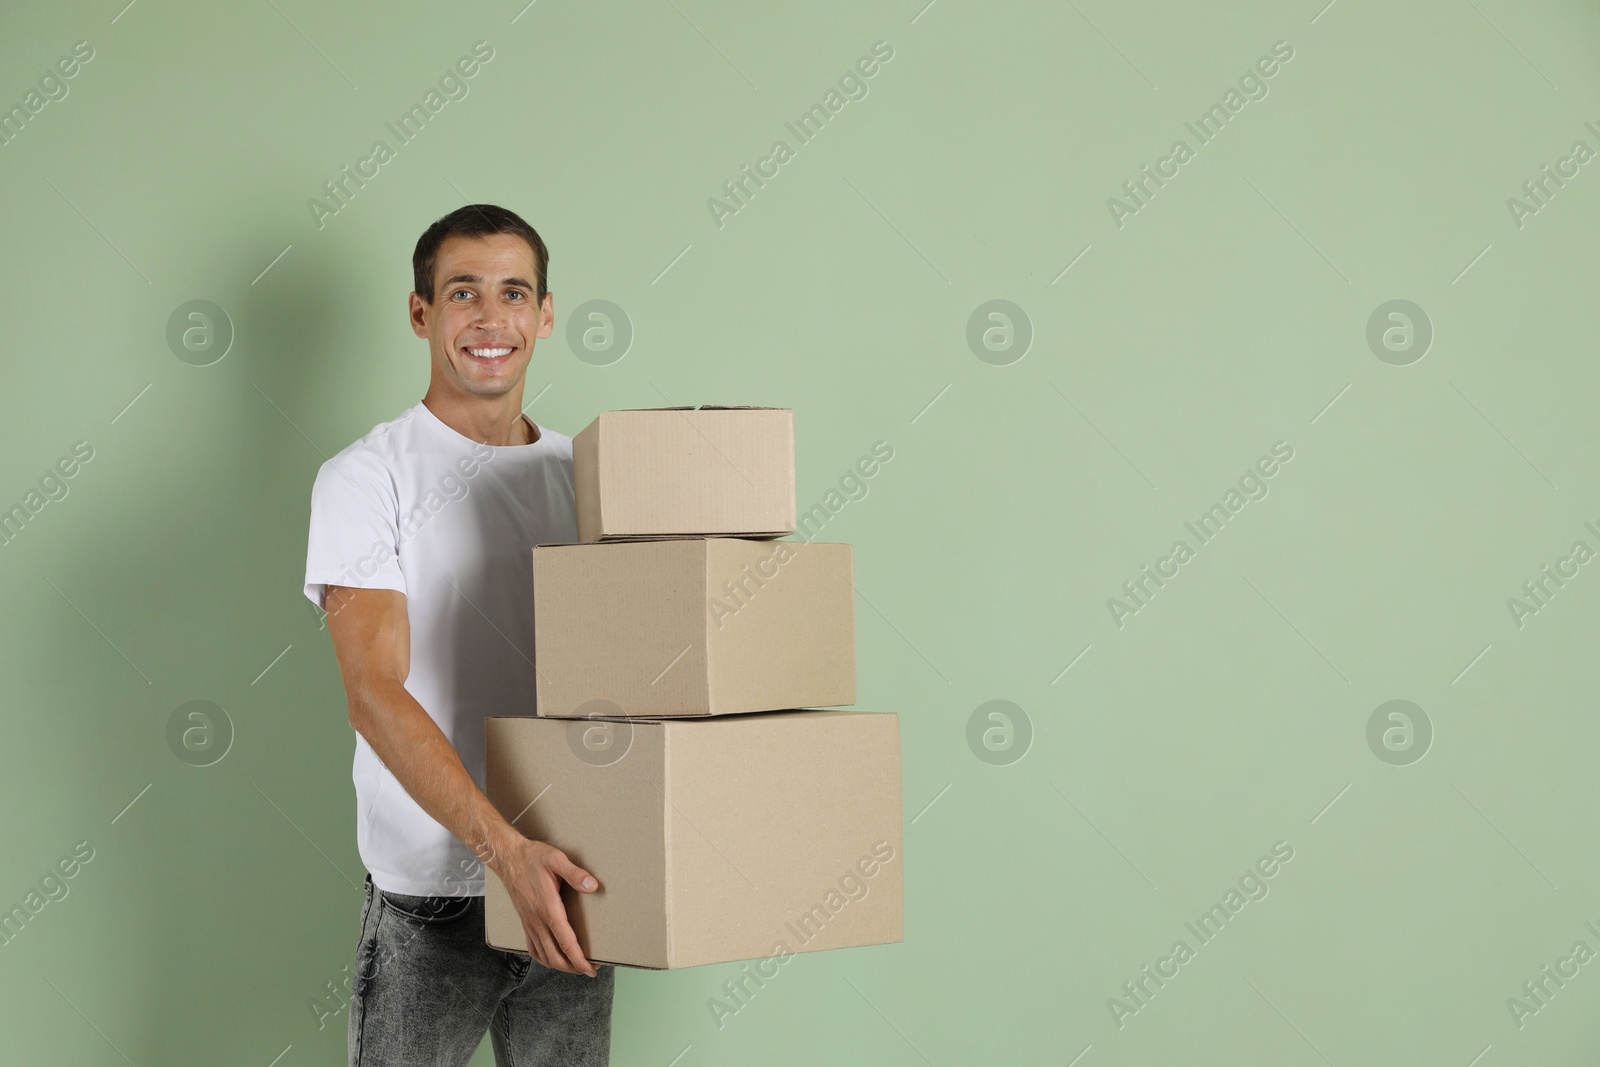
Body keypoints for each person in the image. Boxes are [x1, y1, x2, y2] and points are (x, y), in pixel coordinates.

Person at [302, 204, 614, 1066]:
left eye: (513, 292)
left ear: (545, 315)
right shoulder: (368, 478)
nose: (489, 317)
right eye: (462, 292)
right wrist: (501, 850)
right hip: (431, 899)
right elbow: (374, 692)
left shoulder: (583, 477)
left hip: (566, 883)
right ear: (421, 313)